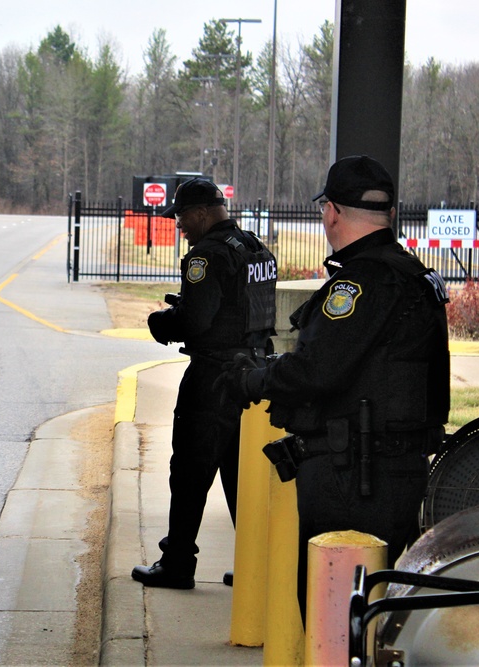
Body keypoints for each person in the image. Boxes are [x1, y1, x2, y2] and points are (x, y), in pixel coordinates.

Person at [216, 155, 450, 617]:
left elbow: (316, 372)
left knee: (332, 614)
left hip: (354, 477)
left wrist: (252, 380)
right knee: (366, 611)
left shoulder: (362, 283)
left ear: (332, 212)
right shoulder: (414, 275)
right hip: (394, 469)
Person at [131, 178, 278, 589]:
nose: (179, 226)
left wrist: (161, 322)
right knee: (239, 473)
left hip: (212, 379)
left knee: (191, 470)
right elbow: (240, 309)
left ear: (200, 213)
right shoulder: (254, 248)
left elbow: (195, 322)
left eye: (180, 217)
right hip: (253, 376)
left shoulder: (206, 256)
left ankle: (177, 562)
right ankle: (256, 563)